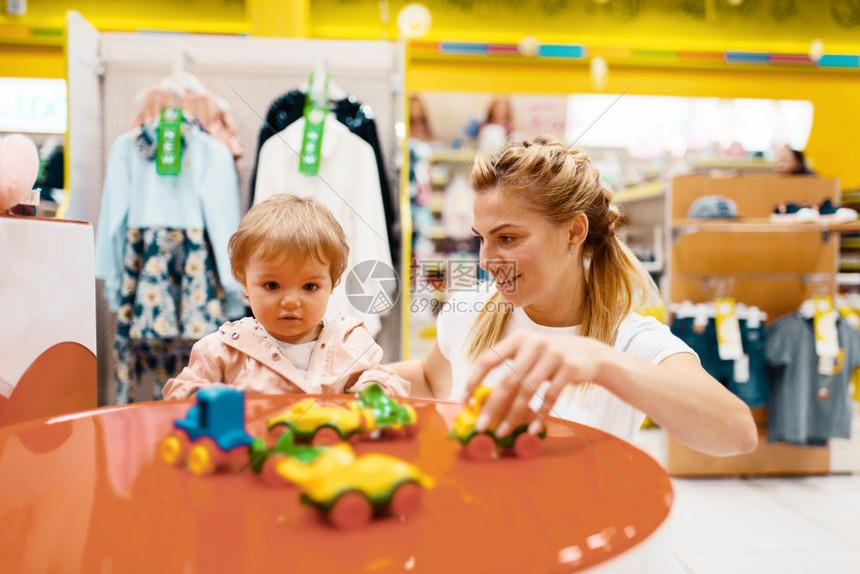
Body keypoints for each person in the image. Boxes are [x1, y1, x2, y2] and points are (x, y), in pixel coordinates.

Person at [390, 137, 757, 456]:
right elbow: (431, 376)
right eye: (481, 239)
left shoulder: (629, 340)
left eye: (507, 238)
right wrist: (361, 376)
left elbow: (737, 432)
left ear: (573, 232)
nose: (485, 260)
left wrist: (601, 362)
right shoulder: (467, 312)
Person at [163, 195, 408, 400]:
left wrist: (375, 388)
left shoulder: (350, 343)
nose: (291, 301)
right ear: (243, 279)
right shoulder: (224, 350)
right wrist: (205, 397)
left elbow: (391, 384)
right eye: (272, 285)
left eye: (310, 286)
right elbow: (178, 396)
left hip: (334, 456)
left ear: (332, 282)